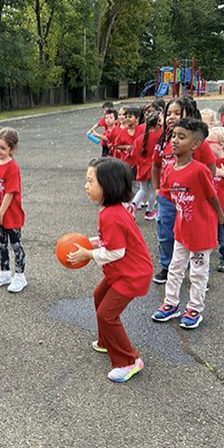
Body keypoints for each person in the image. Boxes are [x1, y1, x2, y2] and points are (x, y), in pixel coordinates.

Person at [68, 157, 153, 383]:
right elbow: (110, 241)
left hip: (132, 275)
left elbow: (116, 252)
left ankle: (129, 360)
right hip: (123, 271)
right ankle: (107, 341)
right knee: (99, 297)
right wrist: (90, 242)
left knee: (107, 315)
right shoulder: (112, 209)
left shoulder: (111, 215)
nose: (86, 186)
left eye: (90, 181)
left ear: (108, 185)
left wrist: (87, 253)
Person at [151, 118, 224, 328]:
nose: (175, 141)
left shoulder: (200, 170)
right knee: (175, 268)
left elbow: (212, 196)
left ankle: (195, 308)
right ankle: (170, 303)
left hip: (201, 234)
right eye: (174, 136)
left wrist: (221, 217)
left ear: (195, 145)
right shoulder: (170, 169)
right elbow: (170, 197)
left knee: (198, 272)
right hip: (182, 231)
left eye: (181, 137)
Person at [151, 98, 216, 284]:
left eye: (177, 113)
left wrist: (204, 191)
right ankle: (167, 265)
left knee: (195, 235)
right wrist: (156, 189)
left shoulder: (198, 144)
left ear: (188, 113)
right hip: (167, 198)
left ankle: (199, 271)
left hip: (191, 199)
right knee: (165, 233)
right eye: (168, 113)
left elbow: (210, 167)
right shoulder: (164, 141)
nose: (171, 117)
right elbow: (155, 165)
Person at [0, 127, 26, 293]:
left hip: (11, 215)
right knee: (1, 244)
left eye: (3, 148)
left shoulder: (12, 167)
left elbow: (10, 193)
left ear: (12, 149)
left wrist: (1, 213)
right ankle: (5, 272)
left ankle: (20, 276)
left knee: (16, 245)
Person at [207, 126, 224, 273]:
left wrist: (223, 174)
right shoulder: (209, 161)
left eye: (209, 142)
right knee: (214, 231)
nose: (206, 145)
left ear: (220, 145)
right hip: (211, 204)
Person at [132, 111, 161, 220]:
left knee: (142, 189)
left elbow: (133, 153)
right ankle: (149, 211)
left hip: (142, 167)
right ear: (158, 125)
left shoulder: (140, 139)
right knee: (154, 190)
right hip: (155, 168)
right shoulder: (159, 137)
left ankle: (133, 204)